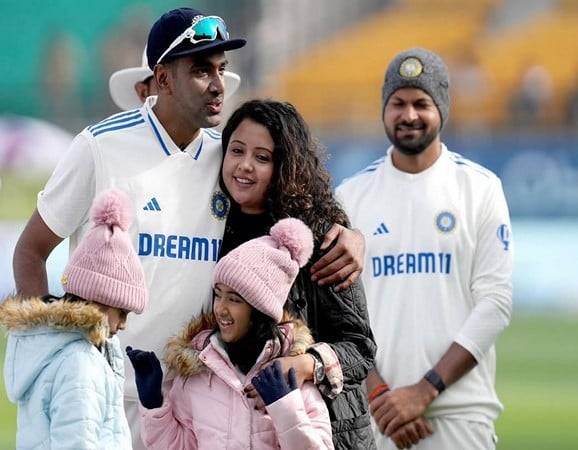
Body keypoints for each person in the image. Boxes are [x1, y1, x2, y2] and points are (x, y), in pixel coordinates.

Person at [12, 8, 364, 449]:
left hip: (191, 406)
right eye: (201, 70)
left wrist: (350, 233)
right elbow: (30, 250)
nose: (218, 84)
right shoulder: (100, 147)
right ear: (161, 77)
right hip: (104, 393)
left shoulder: (227, 158)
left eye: (222, 69)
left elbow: (299, 200)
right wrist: (50, 351)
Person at [336, 48, 513, 450]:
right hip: (374, 415)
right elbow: (335, 312)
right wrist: (379, 394)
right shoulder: (351, 197)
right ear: (384, 108)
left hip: (458, 414)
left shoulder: (479, 189)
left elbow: (496, 303)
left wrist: (425, 391)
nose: (409, 115)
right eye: (398, 103)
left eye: (421, 103)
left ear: (442, 109)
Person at [218, 99, 377, 449]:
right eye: (236, 151)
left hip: (328, 432)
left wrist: (304, 365)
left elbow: (360, 347)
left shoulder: (322, 236)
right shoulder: (212, 228)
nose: (244, 166)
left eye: (262, 158)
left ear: (285, 167)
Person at [127, 218, 334, 449]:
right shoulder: (198, 373)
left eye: (234, 299)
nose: (220, 308)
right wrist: (154, 404)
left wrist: (285, 408)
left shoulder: (290, 376)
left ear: (260, 311)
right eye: (218, 294)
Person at [0, 189, 148, 449]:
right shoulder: (80, 363)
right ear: (98, 301)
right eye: (121, 312)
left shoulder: (72, 350)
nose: (123, 324)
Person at [108, 46, 242, 111]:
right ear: (143, 92)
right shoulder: (105, 149)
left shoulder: (222, 154)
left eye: (221, 70)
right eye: (200, 71)